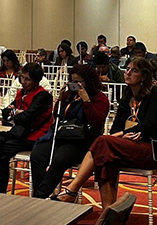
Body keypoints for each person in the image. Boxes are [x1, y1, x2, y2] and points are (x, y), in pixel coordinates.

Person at [53, 58, 157, 211]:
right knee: (106, 158)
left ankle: (72, 190)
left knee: (104, 143)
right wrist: (121, 136)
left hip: (152, 150)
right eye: (127, 69)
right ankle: (107, 215)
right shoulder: (127, 97)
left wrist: (120, 135)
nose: (128, 73)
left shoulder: (156, 95)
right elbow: (115, 128)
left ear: (144, 76)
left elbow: (148, 126)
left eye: (134, 71)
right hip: (126, 147)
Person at [0, 63, 53, 193]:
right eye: (22, 78)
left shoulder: (43, 96)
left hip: (36, 137)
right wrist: (16, 113)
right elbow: (5, 113)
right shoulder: (22, 93)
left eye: (27, 79)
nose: (23, 82)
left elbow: (26, 117)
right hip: (19, 133)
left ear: (36, 81)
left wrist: (15, 113)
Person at [30, 64, 109, 199]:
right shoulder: (69, 95)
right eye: (72, 81)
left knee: (59, 159)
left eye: (78, 82)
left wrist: (86, 101)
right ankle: (41, 192)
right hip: (62, 135)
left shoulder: (100, 98)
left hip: (81, 141)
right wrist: (60, 100)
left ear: (88, 81)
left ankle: (39, 196)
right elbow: (58, 117)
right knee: (37, 155)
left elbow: (96, 121)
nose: (75, 85)